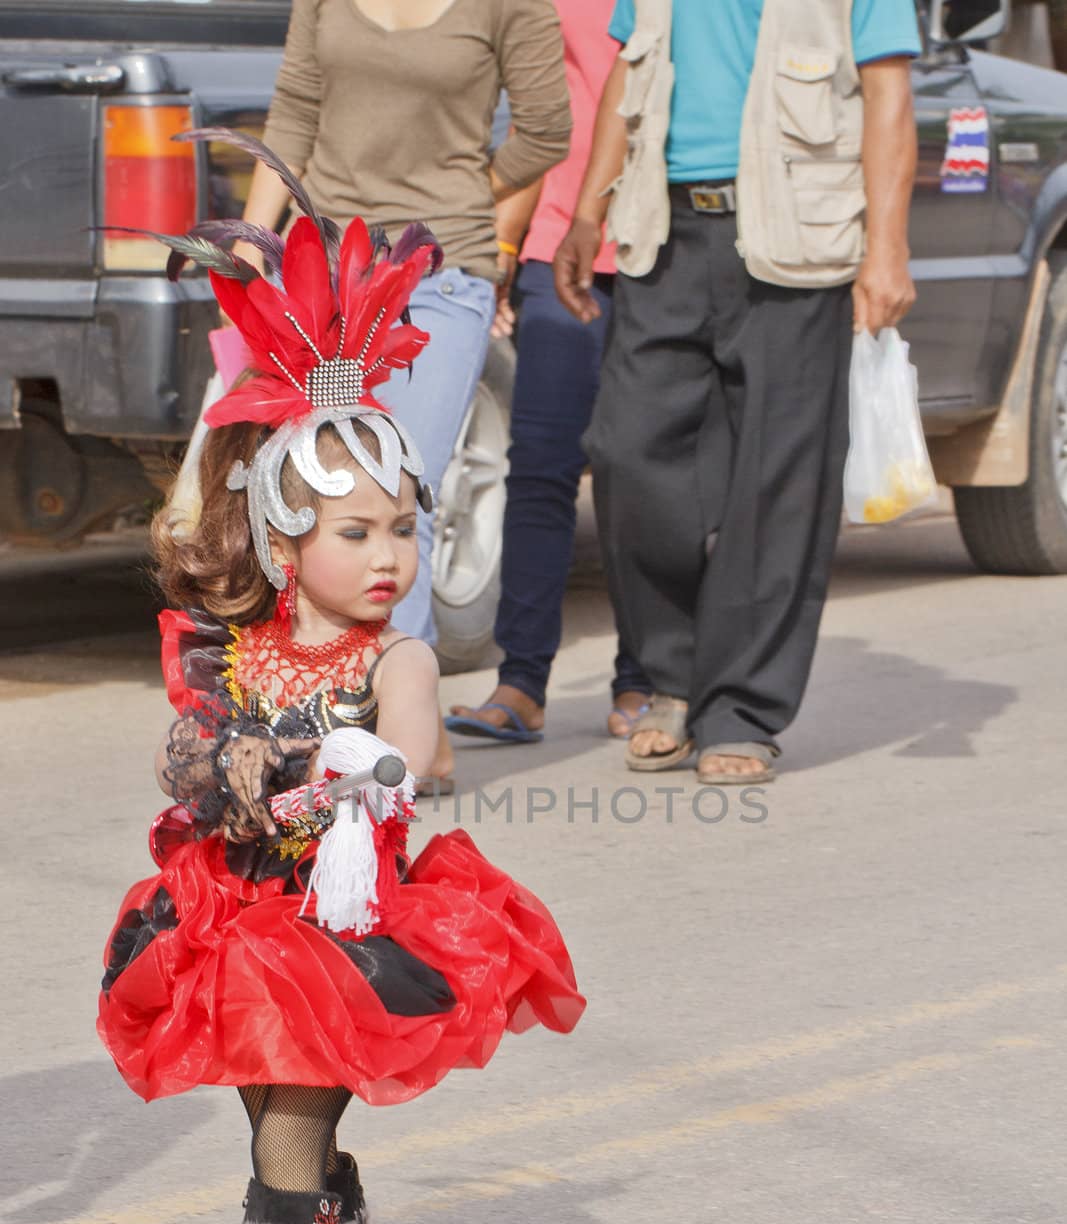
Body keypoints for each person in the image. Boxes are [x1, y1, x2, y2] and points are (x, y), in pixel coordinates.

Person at [96, 138, 585, 1224]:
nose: (387, 555)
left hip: (341, 927)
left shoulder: (400, 656)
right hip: (233, 911)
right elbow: (187, 759)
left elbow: (414, 757)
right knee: (276, 1125)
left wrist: (353, 758)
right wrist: (233, 762)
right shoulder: (228, 646)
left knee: (284, 1139)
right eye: (353, 532)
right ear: (276, 539)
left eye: (401, 528)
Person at [555, 0, 921, 784]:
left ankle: (741, 711)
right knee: (626, 453)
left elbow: (888, 93)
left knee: (778, 481)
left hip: (794, 236)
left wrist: (886, 248)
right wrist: (587, 209)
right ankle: (674, 676)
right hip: (663, 232)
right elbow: (629, 70)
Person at [238, 1, 571, 794]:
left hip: (438, 275)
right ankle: (346, 716)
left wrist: (453, 198)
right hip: (324, 266)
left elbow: (545, 132)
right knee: (316, 496)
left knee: (394, 496)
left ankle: (398, 731)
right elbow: (294, 111)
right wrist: (253, 240)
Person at [445, 0, 653, 747]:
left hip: (666, 244)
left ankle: (644, 677)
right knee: (537, 464)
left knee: (641, 471)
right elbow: (541, 113)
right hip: (560, 242)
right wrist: (504, 243)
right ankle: (521, 682)